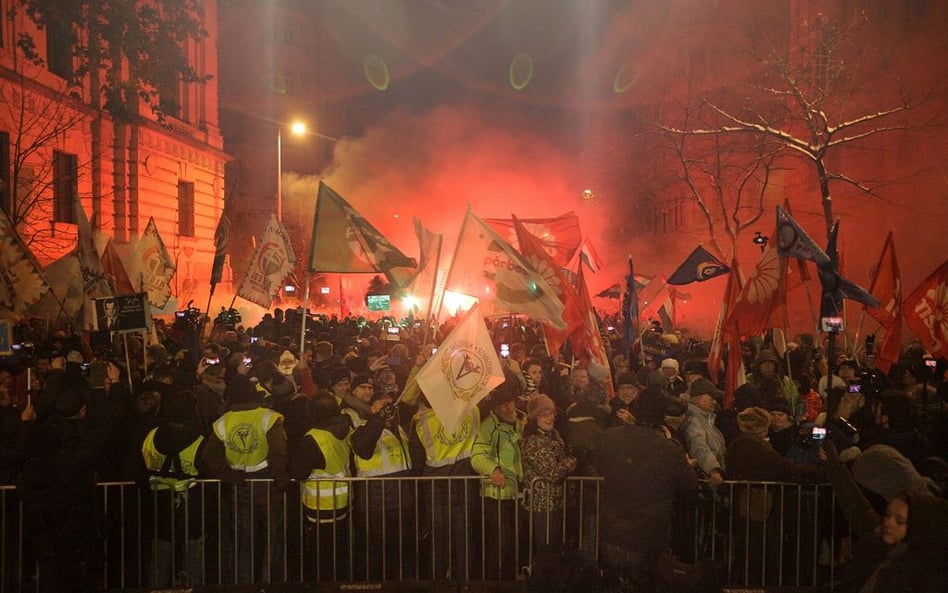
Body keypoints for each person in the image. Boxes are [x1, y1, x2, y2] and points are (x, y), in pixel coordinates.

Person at [597, 386, 698, 590]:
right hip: (649, 536)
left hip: (611, 530)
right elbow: (689, 485)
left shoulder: (609, 438)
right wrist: (686, 466)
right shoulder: (668, 448)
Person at [825, 440, 948, 593]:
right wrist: (833, 463)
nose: (889, 522)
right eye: (887, 515)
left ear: (918, 525)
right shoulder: (877, 546)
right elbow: (857, 505)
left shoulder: (927, 574)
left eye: (899, 521)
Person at [202, 375, 289, 584]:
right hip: (267, 481)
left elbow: (209, 455)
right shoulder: (269, 417)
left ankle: (243, 582)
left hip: (239, 484)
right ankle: (271, 582)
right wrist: (280, 478)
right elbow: (279, 451)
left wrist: (229, 475)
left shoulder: (223, 422)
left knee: (244, 537)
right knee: (272, 535)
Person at [348, 373, 415, 580]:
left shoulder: (398, 429)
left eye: (390, 406)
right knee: (375, 548)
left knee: (400, 548)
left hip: (400, 498)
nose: (388, 410)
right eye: (381, 405)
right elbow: (363, 448)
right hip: (376, 499)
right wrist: (378, 418)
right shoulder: (361, 428)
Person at [140, 389, 208, 587]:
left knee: (161, 552)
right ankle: (192, 587)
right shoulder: (199, 439)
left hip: (159, 506)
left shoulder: (151, 436)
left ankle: (158, 588)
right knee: (194, 552)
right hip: (192, 506)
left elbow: (143, 464)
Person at [288, 393, 353, 582]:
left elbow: (298, 472)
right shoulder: (345, 428)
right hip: (343, 498)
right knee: (339, 550)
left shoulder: (314, 437)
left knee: (322, 554)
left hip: (320, 504)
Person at [471, 379, 524, 581]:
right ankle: (495, 584)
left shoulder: (522, 422)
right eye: (502, 403)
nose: (507, 406)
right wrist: (493, 470)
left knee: (514, 543)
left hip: (517, 493)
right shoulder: (488, 427)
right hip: (495, 495)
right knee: (499, 544)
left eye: (510, 401)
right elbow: (478, 455)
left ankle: (509, 582)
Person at [521, 394, 577, 552]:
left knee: (553, 548)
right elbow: (552, 473)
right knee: (546, 550)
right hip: (542, 504)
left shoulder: (553, 434)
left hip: (554, 501)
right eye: (544, 415)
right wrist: (573, 460)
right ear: (534, 418)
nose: (550, 418)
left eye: (552, 413)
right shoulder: (534, 440)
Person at [683, 379, 727, 486]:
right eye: (712, 398)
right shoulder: (693, 421)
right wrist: (713, 469)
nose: (715, 402)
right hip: (706, 483)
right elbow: (698, 446)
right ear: (701, 398)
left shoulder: (705, 419)